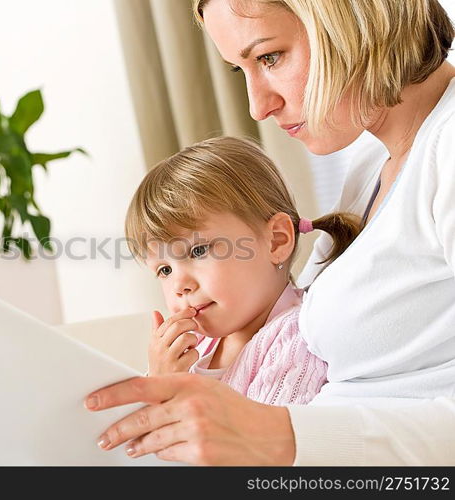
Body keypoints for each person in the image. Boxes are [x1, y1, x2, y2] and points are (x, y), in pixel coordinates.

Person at [84, 0, 455, 465]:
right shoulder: (370, 164)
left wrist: (281, 436)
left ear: (351, 18)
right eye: (242, 71)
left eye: (269, 57)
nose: (259, 107)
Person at [125, 136, 363, 405]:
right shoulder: (197, 345)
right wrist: (157, 381)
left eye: (198, 251)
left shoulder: (295, 339)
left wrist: (170, 394)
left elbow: (264, 442)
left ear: (277, 241)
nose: (180, 285)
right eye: (164, 269)